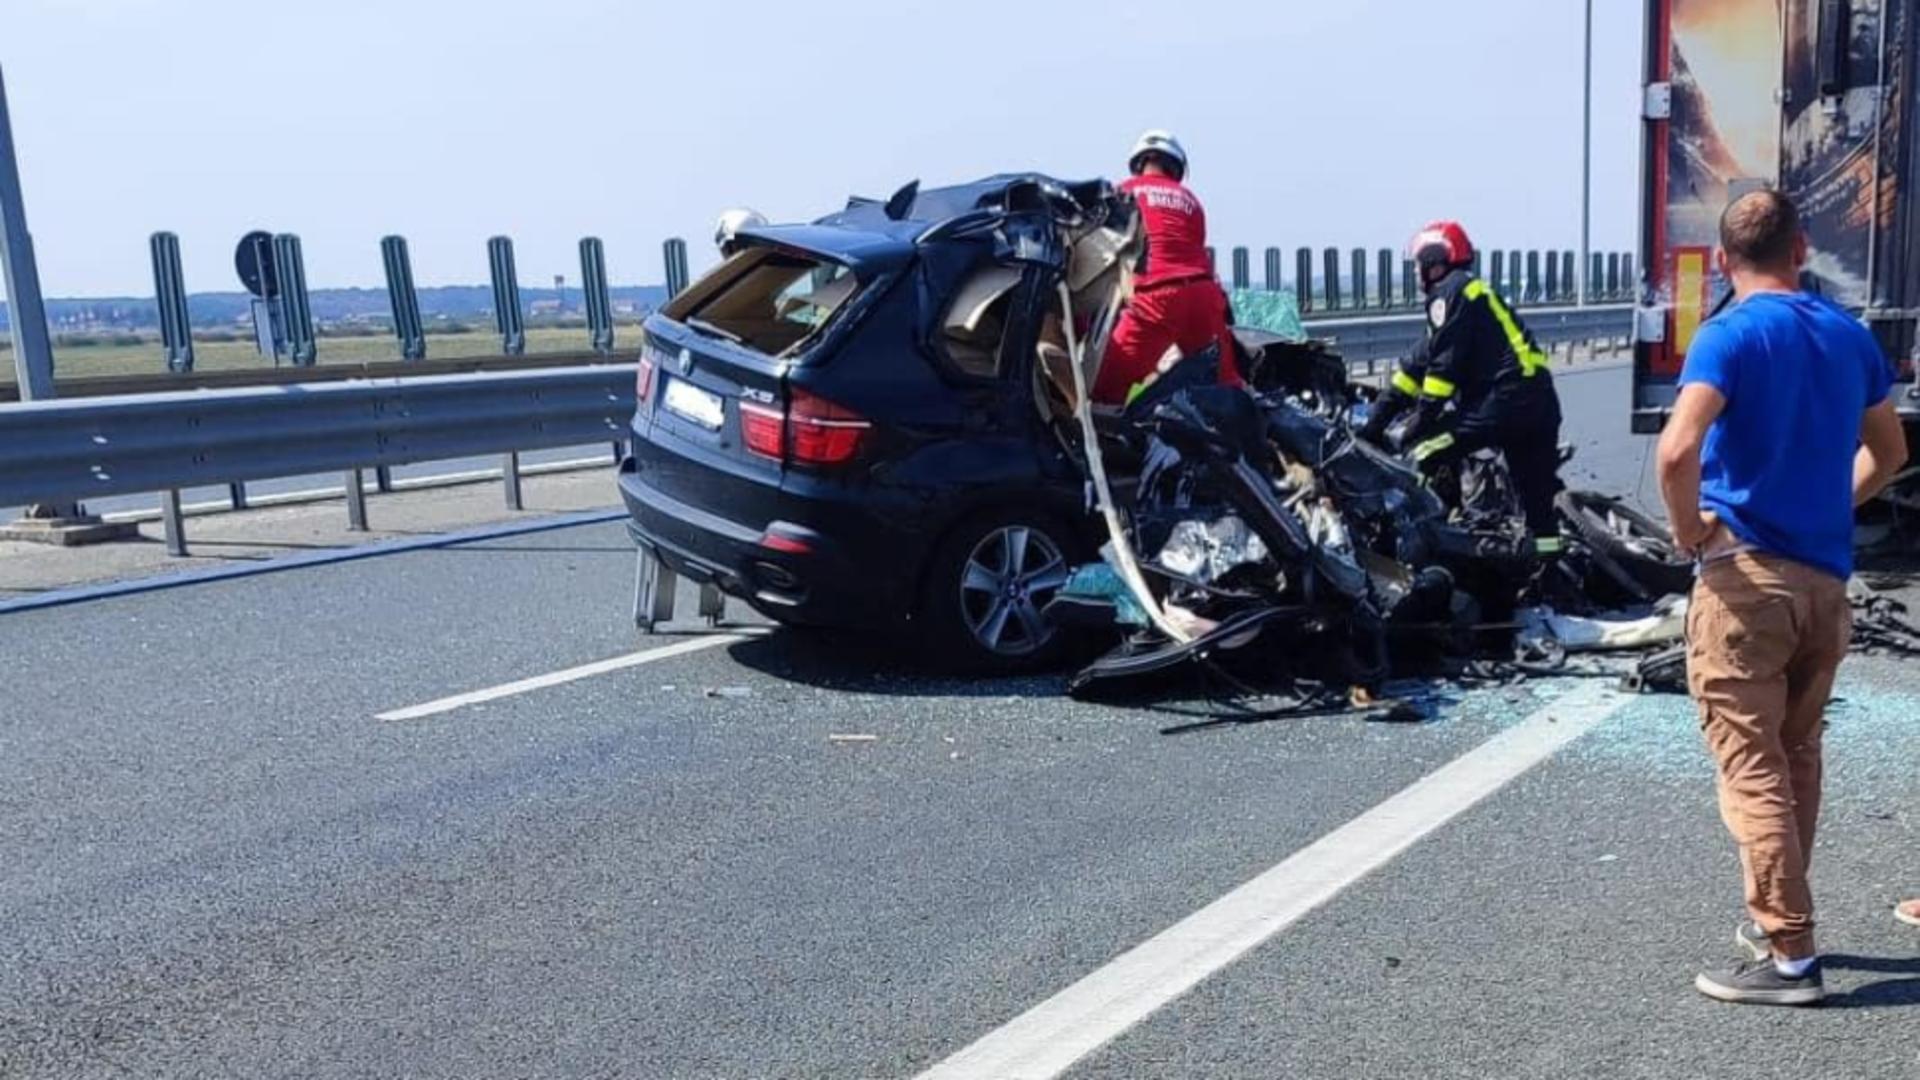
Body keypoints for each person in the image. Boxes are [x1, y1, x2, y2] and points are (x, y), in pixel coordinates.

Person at [1656, 189, 1908, 1007]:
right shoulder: (1848, 335)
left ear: (1725, 260)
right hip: (1826, 588)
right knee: (1795, 754)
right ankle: (1774, 925)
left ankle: (1791, 953)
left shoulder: (1728, 333)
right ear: (1801, 247)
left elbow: (1677, 449)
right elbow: (1892, 449)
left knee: (1750, 763)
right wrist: (1834, 502)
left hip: (1746, 584)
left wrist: (1691, 530)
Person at [1359, 221, 1565, 554]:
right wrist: (1374, 422)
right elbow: (1412, 371)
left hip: (1503, 400)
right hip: (1538, 401)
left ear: (1434, 261)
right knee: (1536, 499)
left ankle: (1413, 544)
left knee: (1419, 455)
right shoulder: (1470, 295)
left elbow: (1442, 371)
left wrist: (1418, 424)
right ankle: (1550, 574)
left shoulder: (1448, 292)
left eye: (1417, 264)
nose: (1416, 272)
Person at [1093, 131, 1240, 404]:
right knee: (1226, 387)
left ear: (1138, 163)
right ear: (1176, 167)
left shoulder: (1122, 192)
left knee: (1105, 391)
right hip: (1203, 294)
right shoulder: (1191, 200)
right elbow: (1195, 250)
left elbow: (1104, 252)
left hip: (1154, 297)